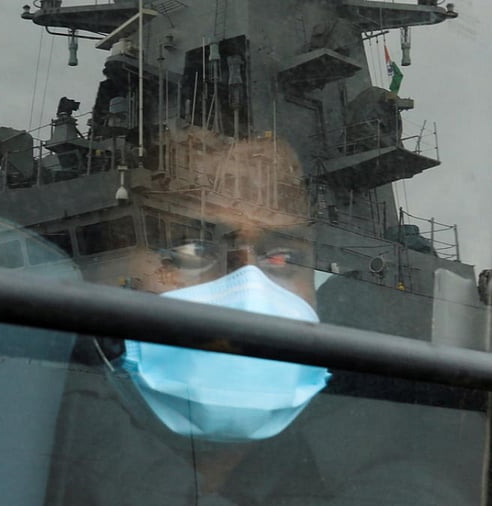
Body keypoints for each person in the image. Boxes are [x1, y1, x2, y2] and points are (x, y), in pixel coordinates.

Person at [43, 137, 479, 505]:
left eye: (282, 258)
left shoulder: (401, 464)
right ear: (109, 274)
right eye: (192, 252)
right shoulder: (25, 434)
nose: (249, 293)